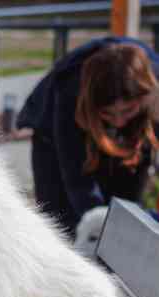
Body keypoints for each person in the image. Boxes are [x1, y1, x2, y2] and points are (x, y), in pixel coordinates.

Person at [17, 37, 159, 237]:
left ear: (145, 97)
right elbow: (75, 173)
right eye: (109, 114)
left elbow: (142, 162)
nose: (118, 121)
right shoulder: (69, 88)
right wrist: (97, 220)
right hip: (53, 137)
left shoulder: (153, 86)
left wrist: (129, 223)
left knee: (127, 217)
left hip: (133, 122)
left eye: (127, 110)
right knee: (62, 225)